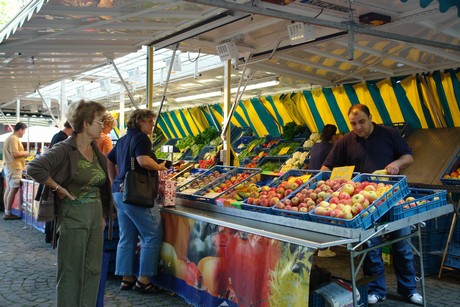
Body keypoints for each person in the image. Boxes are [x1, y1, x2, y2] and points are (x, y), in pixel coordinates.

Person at [321, 104, 422, 306]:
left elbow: (408, 156)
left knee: (402, 244)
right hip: (363, 205)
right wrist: (329, 182)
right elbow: (326, 167)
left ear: (370, 118)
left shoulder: (389, 134)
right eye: (353, 123)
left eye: (361, 122)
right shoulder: (345, 141)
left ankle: (409, 289)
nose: (358, 127)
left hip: (392, 199)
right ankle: (377, 290)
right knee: (370, 248)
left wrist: (396, 164)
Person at [27, 100, 112, 306]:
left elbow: (101, 185)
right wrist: (57, 187)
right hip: (74, 213)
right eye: (99, 122)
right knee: (71, 269)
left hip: (94, 214)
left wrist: (102, 216)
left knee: (93, 269)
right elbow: (34, 168)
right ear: (85, 123)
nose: (103, 126)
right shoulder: (64, 148)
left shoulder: (95, 150)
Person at [107, 109, 168, 293]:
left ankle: (126, 278)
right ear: (140, 121)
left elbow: (109, 159)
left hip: (120, 192)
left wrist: (113, 181)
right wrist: (159, 166)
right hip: (136, 194)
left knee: (127, 236)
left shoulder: (124, 139)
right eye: (150, 121)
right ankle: (144, 280)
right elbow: (142, 161)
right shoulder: (142, 139)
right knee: (152, 234)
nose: (152, 125)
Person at [40, 121, 73, 244]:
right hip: (55, 179)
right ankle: (52, 236)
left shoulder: (58, 136)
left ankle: (50, 236)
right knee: (54, 211)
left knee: (53, 210)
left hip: (53, 178)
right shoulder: (62, 138)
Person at [309, 124, 338, 258]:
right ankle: (323, 248)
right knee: (324, 215)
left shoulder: (315, 146)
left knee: (315, 214)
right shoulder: (331, 148)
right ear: (333, 136)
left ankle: (314, 245)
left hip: (312, 183)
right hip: (324, 184)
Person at [2, 122, 29, 220]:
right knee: (13, 189)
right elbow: (15, 154)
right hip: (14, 167)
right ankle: (8, 213)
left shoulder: (10, 138)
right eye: (24, 131)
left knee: (9, 189)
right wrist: (25, 152)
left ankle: (6, 211)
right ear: (20, 129)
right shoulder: (14, 139)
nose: (24, 133)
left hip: (9, 166)